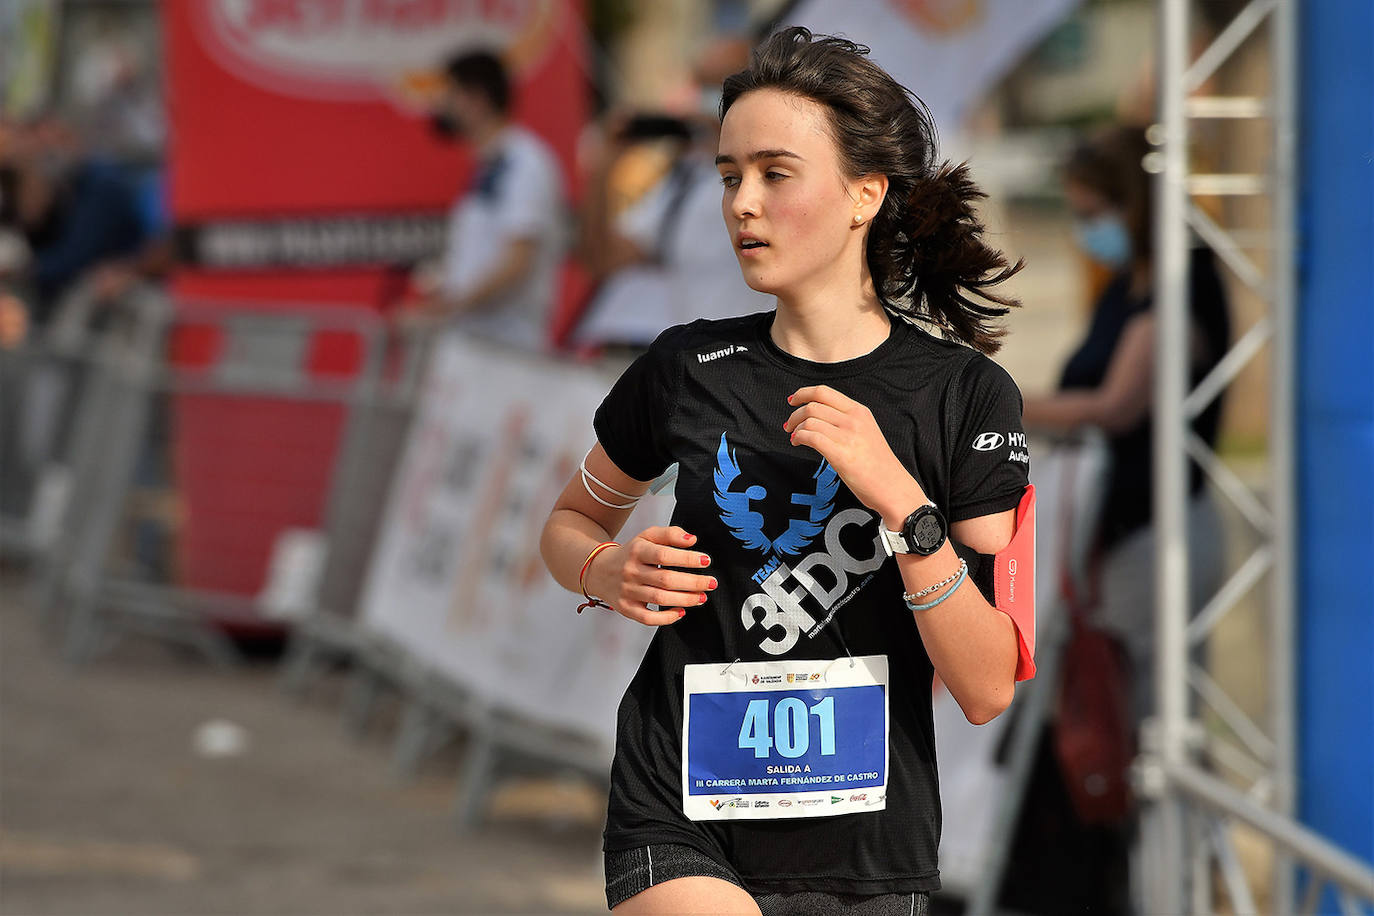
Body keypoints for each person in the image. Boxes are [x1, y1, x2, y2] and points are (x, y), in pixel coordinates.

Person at [540, 28, 1035, 915]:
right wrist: (603, 568)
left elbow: (989, 684)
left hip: (871, 850)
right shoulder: (685, 369)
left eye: (775, 173)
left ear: (863, 195)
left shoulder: (964, 395)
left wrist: (903, 506)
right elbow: (567, 523)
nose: (741, 204)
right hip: (679, 809)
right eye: (730, 176)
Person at [1022, 125, 1230, 726]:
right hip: (1114, 530)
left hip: (1160, 532)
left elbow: (1115, 405)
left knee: (1152, 725)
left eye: (1093, 212)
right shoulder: (1123, 285)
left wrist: (998, 404)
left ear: (1133, 207)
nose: (1085, 228)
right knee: (1114, 721)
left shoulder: (1184, 285)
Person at [400, 49, 566, 352]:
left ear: (476, 98)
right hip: (478, 347)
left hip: (507, 351)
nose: (440, 104)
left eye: (449, 93)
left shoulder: (523, 162)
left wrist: (446, 308)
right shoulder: (492, 164)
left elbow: (519, 260)